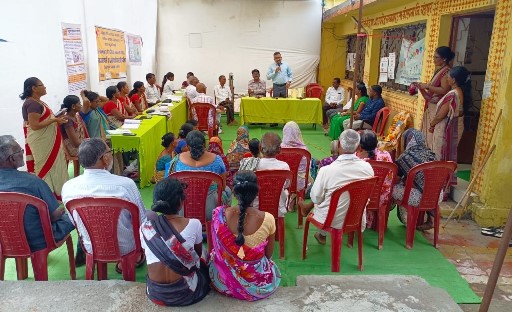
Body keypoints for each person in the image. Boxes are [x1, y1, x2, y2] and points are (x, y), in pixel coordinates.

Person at [62, 138, 147, 271]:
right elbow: (142, 221)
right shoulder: (125, 184)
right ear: (105, 158)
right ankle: (135, 257)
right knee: (150, 215)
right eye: (109, 152)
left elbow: (74, 222)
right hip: (125, 246)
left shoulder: (68, 187)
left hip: (91, 245)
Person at [209, 171, 281, 301]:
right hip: (256, 281)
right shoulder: (268, 219)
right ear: (256, 193)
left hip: (223, 281)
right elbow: (268, 255)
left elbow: (214, 250)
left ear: (234, 192)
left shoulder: (219, 214)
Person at [140, 178, 210, 306]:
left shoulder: (145, 228)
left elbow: (150, 253)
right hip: (187, 293)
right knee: (206, 253)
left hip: (155, 293)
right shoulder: (195, 224)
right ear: (181, 201)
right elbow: (198, 257)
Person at [0, 135, 75, 252]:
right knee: (76, 215)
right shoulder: (33, 182)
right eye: (20, 151)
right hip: (38, 240)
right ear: (12, 159)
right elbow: (54, 216)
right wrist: (62, 210)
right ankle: (86, 255)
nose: (23, 153)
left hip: (4, 241)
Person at [298, 129, 374, 245]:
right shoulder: (368, 168)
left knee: (323, 195)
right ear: (358, 147)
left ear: (338, 144)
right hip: (356, 218)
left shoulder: (326, 170)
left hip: (330, 221)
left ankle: (321, 232)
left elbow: (315, 198)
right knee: (332, 195)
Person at [20, 77, 68, 200]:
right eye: (42, 85)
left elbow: (42, 120)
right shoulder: (32, 103)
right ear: (34, 88)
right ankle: (46, 197)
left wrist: (56, 118)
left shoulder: (38, 102)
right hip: (41, 142)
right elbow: (35, 126)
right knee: (45, 168)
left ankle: (55, 194)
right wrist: (54, 120)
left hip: (48, 140)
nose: (45, 87)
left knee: (55, 167)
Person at [169, 131, 232, 220]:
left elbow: (170, 184)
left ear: (187, 146)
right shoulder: (217, 160)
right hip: (211, 210)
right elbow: (223, 186)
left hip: (182, 210)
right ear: (204, 144)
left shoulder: (176, 160)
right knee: (228, 191)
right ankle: (220, 223)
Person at [392, 129, 437, 230]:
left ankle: (407, 221)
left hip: (419, 198)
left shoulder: (405, 157)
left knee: (392, 188)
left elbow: (396, 179)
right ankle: (431, 220)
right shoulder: (431, 154)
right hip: (437, 196)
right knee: (424, 185)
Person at [429, 66, 470, 169]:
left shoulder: (453, 94)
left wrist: (432, 124)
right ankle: (445, 181)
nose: (447, 79)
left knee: (440, 156)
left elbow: (441, 115)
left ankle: (438, 181)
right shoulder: (461, 92)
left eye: (448, 77)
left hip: (445, 129)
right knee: (448, 156)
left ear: (454, 80)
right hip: (454, 129)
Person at [416, 46, 454, 148]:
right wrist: (422, 86)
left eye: (436, 57)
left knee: (432, 136)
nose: (433, 59)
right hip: (432, 105)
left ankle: (431, 159)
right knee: (426, 135)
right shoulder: (440, 70)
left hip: (438, 107)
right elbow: (434, 88)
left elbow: (444, 90)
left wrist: (427, 86)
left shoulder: (446, 72)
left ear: (444, 59)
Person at [357, 130, 393, 229]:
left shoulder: (357, 158)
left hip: (362, 198)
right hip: (381, 197)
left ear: (360, 146)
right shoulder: (386, 155)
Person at [253, 132, 290, 216]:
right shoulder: (284, 167)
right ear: (279, 150)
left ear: (260, 148)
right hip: (278, 208)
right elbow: (287, 185)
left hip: (256, 208)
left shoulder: (254, 165)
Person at [281, 121, 309, 196]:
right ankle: (296, 197)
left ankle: (290, 198)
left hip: (283, 183)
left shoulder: (279, 149)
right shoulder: (304, 150)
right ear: (298, 132)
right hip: (300, 183)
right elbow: (306, 169)